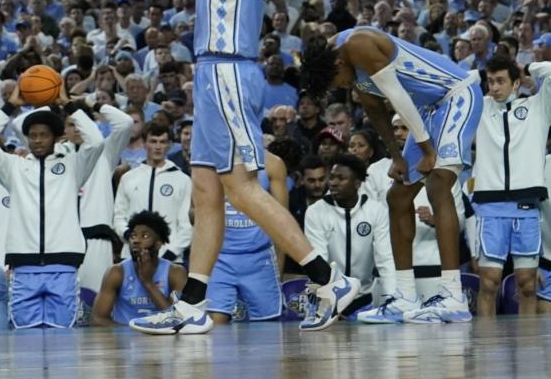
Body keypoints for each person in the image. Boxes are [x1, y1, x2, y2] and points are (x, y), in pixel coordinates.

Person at [133, 0, 358, 336]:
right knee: (206, 190)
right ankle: (194, 302)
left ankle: (327, 280)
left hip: (229, 71)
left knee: (241, 188)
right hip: (215, 72)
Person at [298, 22, 483, 323]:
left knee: (438, 184)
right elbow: (375, 110)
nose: (342, 86)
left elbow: (398, 99)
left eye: (339, 80)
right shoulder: (346, 66)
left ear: (340, 64)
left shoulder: (359, 45)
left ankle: (454, 297)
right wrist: (396, 156)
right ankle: (405, 296)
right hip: (427, 110)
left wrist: (427, 151)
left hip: (456, 95)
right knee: (398, 197)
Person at [0, 84, 110, 328]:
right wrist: (10, 106)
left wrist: (69, 105)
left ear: (57, 138)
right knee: (25, 339)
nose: (37, 140)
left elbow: (96, 141)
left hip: (64, 264)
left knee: (63, 340)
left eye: (43, 134)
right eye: (32, 135)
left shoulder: (73, 166)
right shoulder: (14, 167)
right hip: (24, 265)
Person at [467, 56, 551, 318]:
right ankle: (486, 350)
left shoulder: (538, 107)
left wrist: (528, 70)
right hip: (490, 206)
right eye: (490, 81)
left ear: (516, 84)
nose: (494, 87)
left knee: (527, 284)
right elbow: (458, 84)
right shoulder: (480, 109)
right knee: (488, 281)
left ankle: (529, 354)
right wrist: (476, 78)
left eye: (501, 81)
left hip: (526, 206)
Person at [207, 149, 291, 325]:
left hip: (260, 258)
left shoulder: (272, 163)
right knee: (215, 326)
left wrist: (279, 272)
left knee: (268, 331)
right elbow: (194, 211)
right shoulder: (209, 160)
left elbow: (282, 224)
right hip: (220, 257)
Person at [303, 157, 394, 317]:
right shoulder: (315, 211)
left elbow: (385, 258)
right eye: (331, 177)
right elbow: (318, 257)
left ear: (357, 184)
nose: (333, 183)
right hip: (326, 300)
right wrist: (326, 297)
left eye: (341, 178)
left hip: (363, 301)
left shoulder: (376, 210)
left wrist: (392, 297)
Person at [111, 124, 192, 260]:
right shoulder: (128, 178)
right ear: (144, 143)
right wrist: (129, 236)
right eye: (153, 141)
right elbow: (119, 216)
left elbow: (187, 224)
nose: (158, 147)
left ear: (170, 145)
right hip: (131, 257)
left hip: (169, 259)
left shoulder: (183, 180)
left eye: (163, 142)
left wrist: (171, 253)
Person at [77, 100, 134, 293]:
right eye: (71, 123)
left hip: (97, 239)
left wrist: (94, 103)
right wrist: (52, 102)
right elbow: (20, 127)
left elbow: (124, 123)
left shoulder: (105, 153)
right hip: (62, 242)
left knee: (96, 305)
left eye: (81, 122)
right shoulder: (56, 155)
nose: (77, 128)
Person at [92, 211, 187, 326]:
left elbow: (177, 320)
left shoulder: (175, 273)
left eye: (145, 236)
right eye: (133, 236)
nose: (136, 240)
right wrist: (132, 333)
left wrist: (148, 282)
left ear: (158, 244)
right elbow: (98, 318)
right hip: (126, 339)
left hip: (163, 339)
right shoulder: (116, 272)